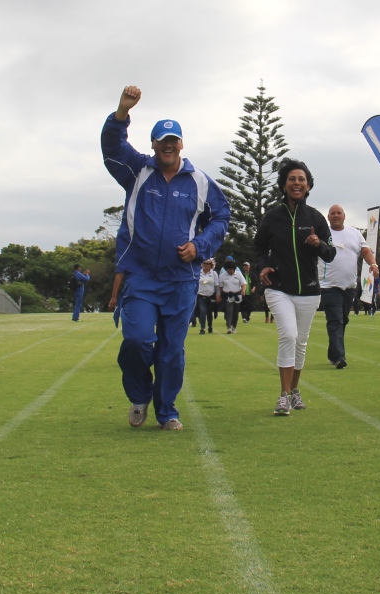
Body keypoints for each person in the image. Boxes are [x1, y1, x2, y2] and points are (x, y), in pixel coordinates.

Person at [102, 85, 230, 431]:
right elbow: (112, 147)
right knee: (138, 340)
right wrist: (121, 114)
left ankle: (167, 410)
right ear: (154, 145)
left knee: (171, 350)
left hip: (181, 280)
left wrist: (200, 247)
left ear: (182, 144)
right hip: (141, 277)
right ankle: (139, 396)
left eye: (174, 140)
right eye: (162, 141)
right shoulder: (136, 171)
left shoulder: (200, 181)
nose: (169, 146)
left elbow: (221, 217)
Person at [254, 158, 335, 415]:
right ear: (284, 184)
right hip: (278, 288)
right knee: (288, 335)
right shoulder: (272, 218)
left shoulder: (315, 218)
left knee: (301, 341)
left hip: (309, 291)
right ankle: (283, 395)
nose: (296, 183)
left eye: (301, 179)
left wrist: (317, 244)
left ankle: (294, 390)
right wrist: (263, 266)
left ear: (308, 185)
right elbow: (258, 248)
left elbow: (330, 253)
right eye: (292, 179)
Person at [319, 204, 379, 369]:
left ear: (344, 216)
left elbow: (366, 251)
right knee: (335, 320)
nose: (336, 215)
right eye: (333, 213)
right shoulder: (323, 233)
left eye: (339, 213)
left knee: (343, 320)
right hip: (328, 286)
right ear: (328, 217)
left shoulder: (354, 233)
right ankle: (339, 357)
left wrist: (373, 264)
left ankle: (333, 353)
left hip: (350, 287)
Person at [217, 255, 248, 333]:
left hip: (237, 295)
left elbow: (244, 283)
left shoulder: (238, 274)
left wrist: (243, 290)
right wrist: (220, 295)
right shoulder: (223, 275)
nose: (229, 271)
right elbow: (220, 286)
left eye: (231, 269)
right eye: (228, 269)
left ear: (234, 268)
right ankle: (228, 327)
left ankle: (234, 326)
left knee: (235, 312)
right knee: (229, 311)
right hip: (228, 295)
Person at [195, 258, 219, 334]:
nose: (205, 265)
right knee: (202, 311)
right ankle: (202, 328)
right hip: (201, 295)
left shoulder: (214, 273)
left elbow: (216, 285)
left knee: (209, 312)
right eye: (204, 263)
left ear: (211, 265)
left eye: (207, 263)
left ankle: (210, 326)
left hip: (211, 295)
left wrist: (218, 294)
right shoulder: (199, 272)